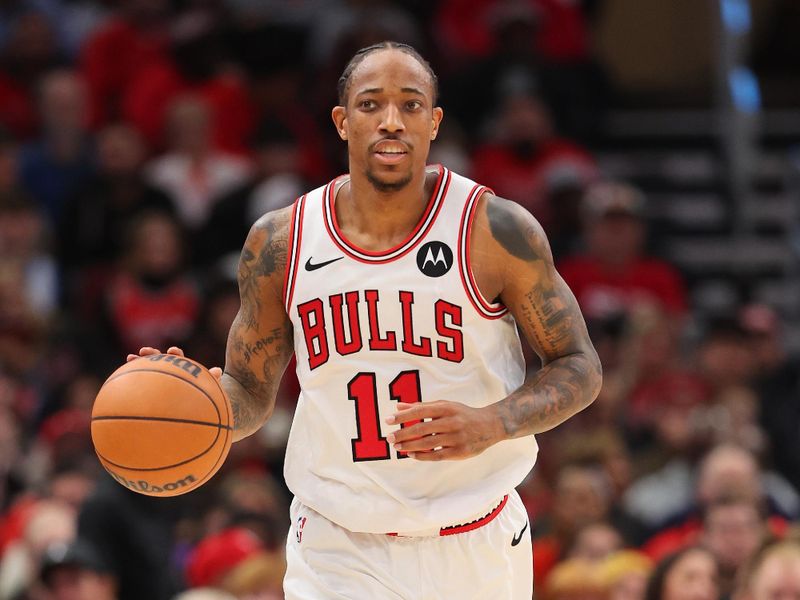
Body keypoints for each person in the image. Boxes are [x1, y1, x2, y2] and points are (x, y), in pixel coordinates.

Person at [129, 40, 602, 599]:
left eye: (411, 104)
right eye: (371, 104)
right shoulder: (280, 242)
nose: (391, 122)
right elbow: (250, 392)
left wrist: (494, 422)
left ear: (434, 122)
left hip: (475, 538)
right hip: (338, 543)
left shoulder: (494, 230)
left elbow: (579, 365)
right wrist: (199, 400)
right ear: (342, 121)